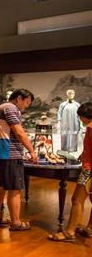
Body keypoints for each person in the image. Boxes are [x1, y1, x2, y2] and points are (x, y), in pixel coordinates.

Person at [0, 88, 37, 231]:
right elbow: (19, 132)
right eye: (26, 102)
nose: (26, 106)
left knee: (1, 186)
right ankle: (16, 222)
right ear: (19, 99)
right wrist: (32, 151)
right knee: (15, 188)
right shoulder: (11, 109)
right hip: (9, 154)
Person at [48, 102, 92, 242]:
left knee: (76, 200)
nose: (80, 120)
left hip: (89, 169)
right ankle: (89, 228)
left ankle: (69, 232)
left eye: (80, 116)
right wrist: (84, 154)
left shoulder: (91, 128)